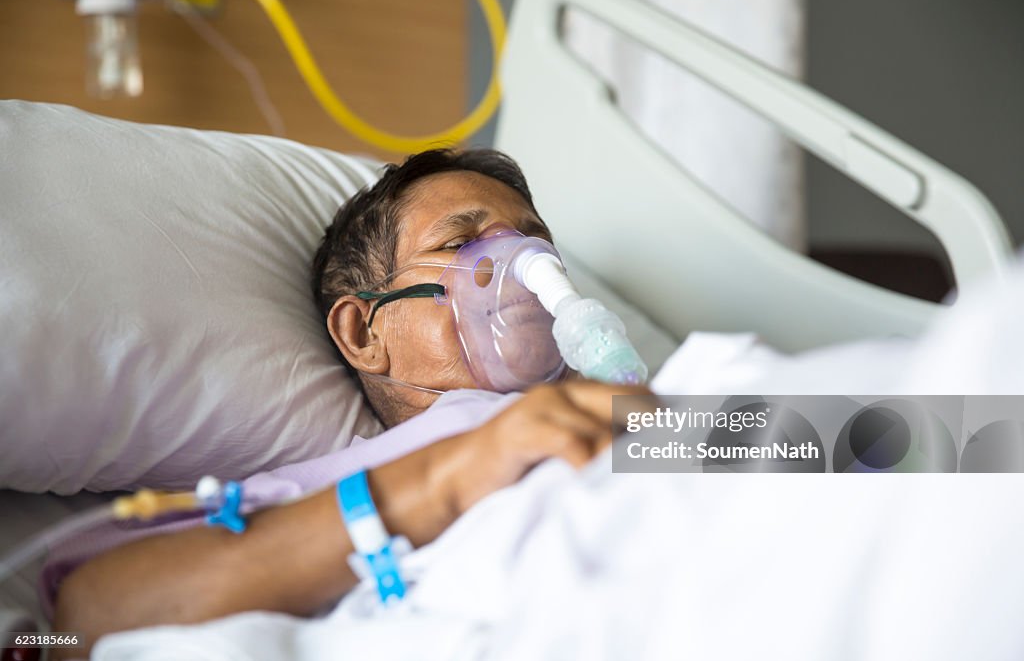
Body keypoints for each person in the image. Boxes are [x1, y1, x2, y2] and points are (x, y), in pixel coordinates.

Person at [52, 149, 648, 656]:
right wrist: (448, 477)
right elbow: (88, 616)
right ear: (365, 334)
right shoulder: (346, 483)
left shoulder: (628, 403)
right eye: (459, 241)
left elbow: (742, 445)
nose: (520, 262)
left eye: (531, 240)